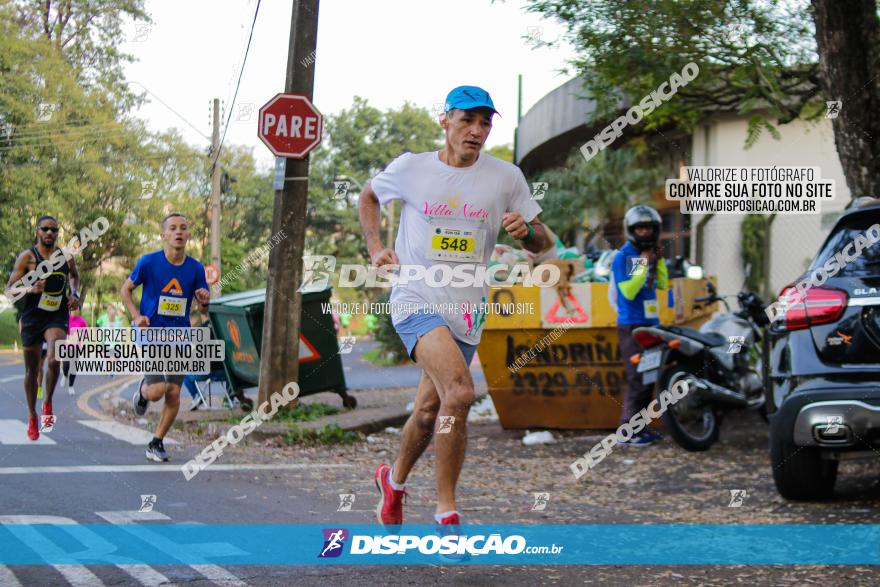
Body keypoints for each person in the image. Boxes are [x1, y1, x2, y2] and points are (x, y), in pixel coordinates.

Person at [358, 85, 547, 527]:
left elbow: (544, 240)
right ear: (444, 121)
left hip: (466, 310)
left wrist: (526, 233)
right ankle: (447, 512)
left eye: (485, 122)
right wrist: (375, 247)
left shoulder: (506, 177)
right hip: (415, 296)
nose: (477, 130)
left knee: (429, 412)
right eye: (467, 120)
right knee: (461, 393)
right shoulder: (411, 168)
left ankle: (394, 481)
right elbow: (368, 196)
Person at [120, 213, 210, 462]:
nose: (179, 231)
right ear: (164, 235)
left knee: (173, 393)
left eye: (183, 227)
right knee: (158, 390)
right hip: (151, 333)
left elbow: (203, 309)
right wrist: (137, 316)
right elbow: (125, 289)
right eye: (173, 228)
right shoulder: (148, 262)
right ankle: (143, 391)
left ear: (188, 234)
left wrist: (204, 303)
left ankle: (156, 442)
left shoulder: (195, 268)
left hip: (179, 336)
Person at [5, 216, 80, 440]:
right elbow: (10, 290)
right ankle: (32, 415)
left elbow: (75, 277)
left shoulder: (65, 257)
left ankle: (47, 401)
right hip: (32, 316)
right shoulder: (27, 257)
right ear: (38, 232)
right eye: (45, 229)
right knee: (31, 371)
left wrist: (74, 294)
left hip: (56, 314)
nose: (49, 233)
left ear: (58, 233)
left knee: (56, 359)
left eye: (54, 230)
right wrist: (30, 287)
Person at [611, 205, 668, 446]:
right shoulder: (623, 256)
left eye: (648, 228)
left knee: (648, 378)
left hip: (651, 323)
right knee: (636, 378)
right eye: (639, 228)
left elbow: (663, 285)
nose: (644, 232)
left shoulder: (653, 254)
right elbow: (629, 291)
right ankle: (628, 432)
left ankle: (641, 428)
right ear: (631, 230)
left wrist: (658, 262)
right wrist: (643, 263)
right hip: (632, 325)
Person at [61, 308, 87, 396]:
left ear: (78, 310)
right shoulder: (65, 318)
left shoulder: (81, 321)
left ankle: (71, 387)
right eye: (72, 309)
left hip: (76, 347)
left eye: (75, 309)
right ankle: (65, 375)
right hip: (66, 346)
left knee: (73, 367)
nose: (73, 311)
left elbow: (85, 333)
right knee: (66, 365)